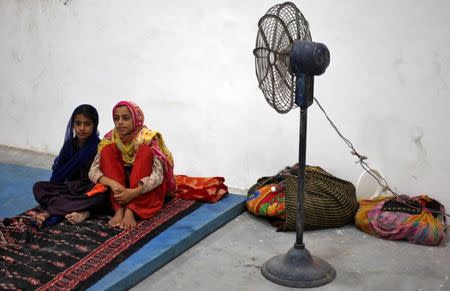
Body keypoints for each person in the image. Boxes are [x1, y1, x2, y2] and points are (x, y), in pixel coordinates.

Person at [89, 100, 175, 230]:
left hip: (144, 187)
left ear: (136, 119)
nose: (120, 122)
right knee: (107, 150)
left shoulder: (148, 138)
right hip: (120, 187)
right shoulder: (110, 138)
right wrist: (113, 184)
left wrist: (133, 192)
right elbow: (93, 171)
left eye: (126, 118)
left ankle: (131, 210)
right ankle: (119, 209)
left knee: (145, 151)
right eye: (116, 118)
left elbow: (158, 176)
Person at [33, 104, 106, 227]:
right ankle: (76, 208)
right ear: (73, 124)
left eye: (87, 124)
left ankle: (56, 212)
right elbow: (58, 174)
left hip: (88, 190)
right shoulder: (69, 145)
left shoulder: (99, 147)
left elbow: (102, 178)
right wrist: (56, 187)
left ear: (94, 125)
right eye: (78, 123)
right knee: (39, 188)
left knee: (102, 196)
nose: (82, 128)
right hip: (70, 188)